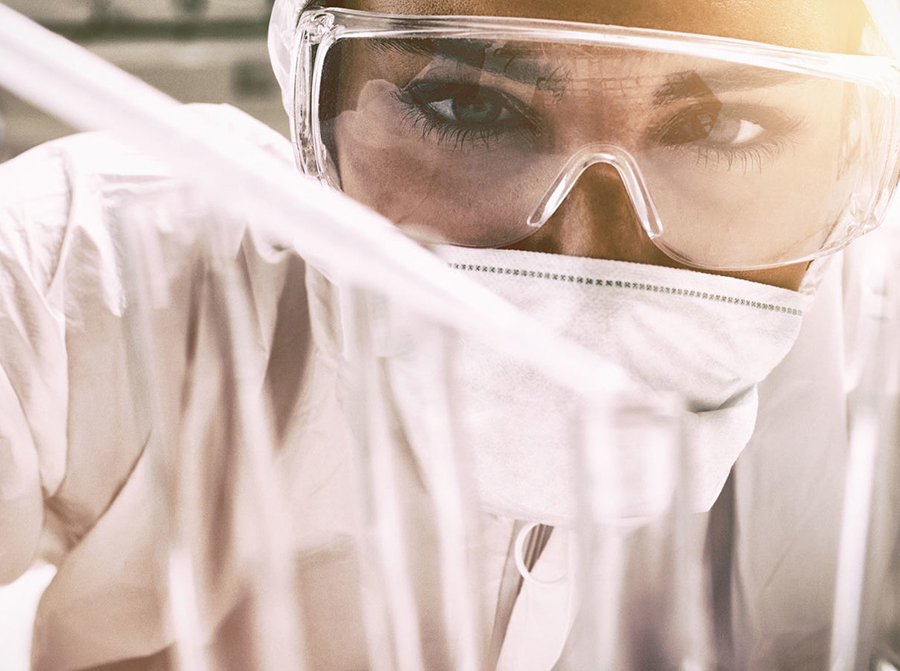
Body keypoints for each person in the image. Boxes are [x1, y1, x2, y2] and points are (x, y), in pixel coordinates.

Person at [0, 0, 898, 669]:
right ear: (313, 117)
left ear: (857, 154)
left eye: (718, 125)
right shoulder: (91, 270)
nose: (589, 251)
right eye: (468, 107)